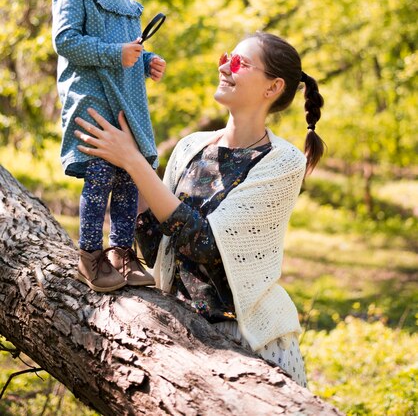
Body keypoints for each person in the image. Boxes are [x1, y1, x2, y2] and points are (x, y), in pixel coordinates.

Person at [74, 32, 324, 386]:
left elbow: (205, 245)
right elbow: (162, 248)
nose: (224, 66)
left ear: (272, 88)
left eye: (239, 63)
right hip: (179, 334)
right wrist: (126, 174)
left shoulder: (282, 161)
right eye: (226, 57)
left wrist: (133, 161)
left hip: (247, 341)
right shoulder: (191, 146)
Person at [52, 0, 166, 293]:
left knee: (129, 178)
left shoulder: (129, 5)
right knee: (100, 178)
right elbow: (66, 42)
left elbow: (128, 48)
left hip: (126, 106)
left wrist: (145, 60)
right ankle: (89, 256)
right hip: (95, 103)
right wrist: (116, 54)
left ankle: (121, 252)